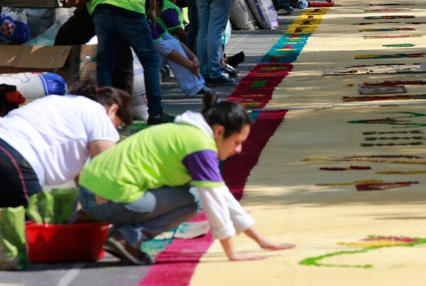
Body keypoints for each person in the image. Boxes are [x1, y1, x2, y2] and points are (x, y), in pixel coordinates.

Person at [78, 94, 295, 265]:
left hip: (91, 191)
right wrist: (232, 253)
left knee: (198, 191)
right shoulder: (200, 145)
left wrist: (259, 240)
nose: (238, 150)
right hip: (107, 198)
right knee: (198, 198)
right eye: (237, 142)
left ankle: (120, 232)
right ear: (219, 131)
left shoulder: (189, 132)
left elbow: (222, 194)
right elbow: (215, 200)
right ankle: (128, 238)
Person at [0, 80, 130, 208]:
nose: (113, 135)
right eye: (117, 127)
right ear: (113, 110)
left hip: (6, 144)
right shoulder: (99, 113)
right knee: (30, 222)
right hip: (15, 156)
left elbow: (82, 178)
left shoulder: (61, 103)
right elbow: (106, 166)